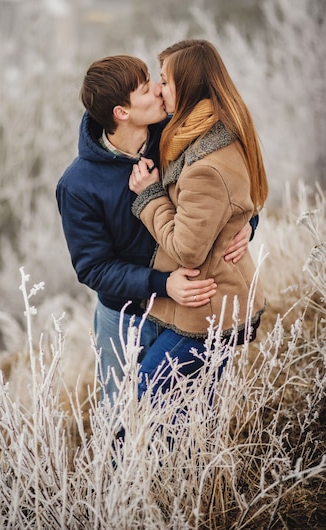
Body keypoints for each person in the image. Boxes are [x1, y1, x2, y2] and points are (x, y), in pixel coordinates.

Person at [56, 54, 258, 403]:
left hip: (192, 308)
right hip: (124, 319)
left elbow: (231, 186)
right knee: (122, 418)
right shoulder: (78, 185)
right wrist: (162, 285)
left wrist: (248, 226)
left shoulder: (175, 137)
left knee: (194, 412)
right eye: (146, 88)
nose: (159, 91)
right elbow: (93, 268)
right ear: (122, 112)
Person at [129, 39, 269, 400]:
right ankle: (191, 457)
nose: (159, 89)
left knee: (147, 392)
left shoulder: (206, 164)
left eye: (165, 80)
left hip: (208, 309)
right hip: (210, 301)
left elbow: (187, 250)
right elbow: (241, 200)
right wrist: (245, 223)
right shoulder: (211, 130)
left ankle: (131, 459)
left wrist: (149, 195)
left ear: (189, 88)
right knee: (194, 410)